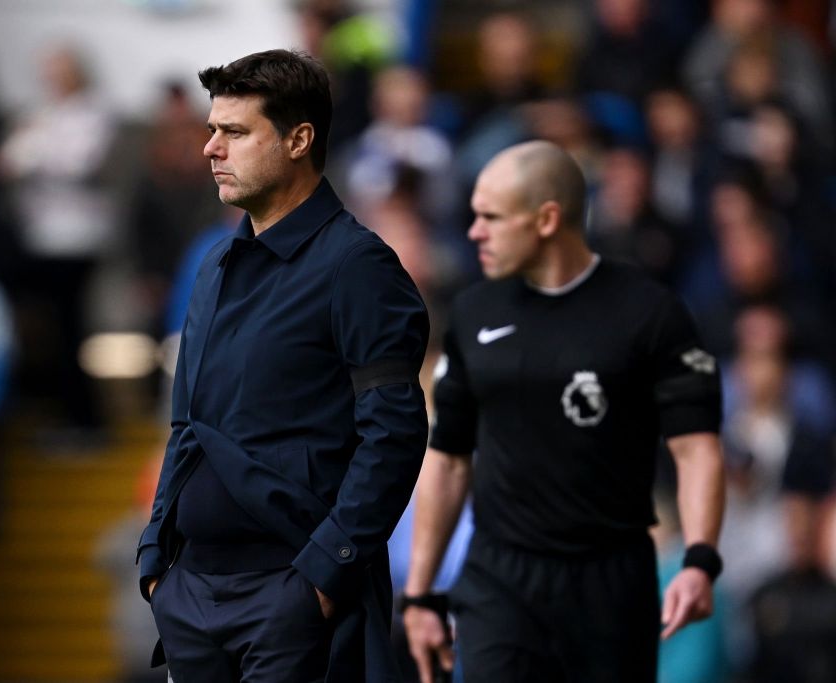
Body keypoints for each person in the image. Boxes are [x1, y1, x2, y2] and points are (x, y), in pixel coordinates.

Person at [135, 49, 430, 683]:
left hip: (291, 597)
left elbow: (396, 433)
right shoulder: (213, 266)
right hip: (192, 596)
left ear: (299, 140)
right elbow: (186, 426)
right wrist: (156, 558)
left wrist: (325, 576)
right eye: (213, 129)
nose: (211, 148)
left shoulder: (359, 266)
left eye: (235, 132)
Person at [403, 140, 725, 683]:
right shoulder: (474, 311)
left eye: (491, 218)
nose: (473, 232)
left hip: (610, 579)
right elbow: (449, 457)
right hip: (499, 578)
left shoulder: (649, 315)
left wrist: (699, 560)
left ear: (547, 219)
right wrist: (420, 594)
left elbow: (696, 449)